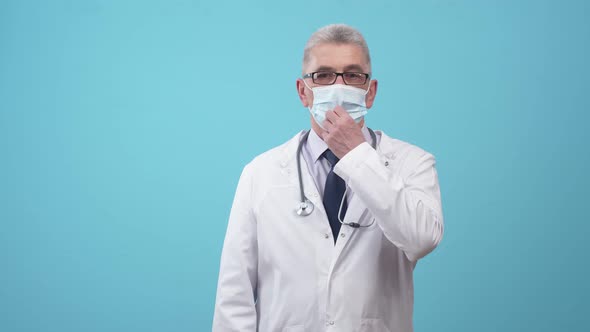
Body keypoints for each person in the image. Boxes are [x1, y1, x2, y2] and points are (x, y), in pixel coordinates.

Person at [212, 24, 444, 332]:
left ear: (370, 91)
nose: (338, 86)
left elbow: (422, 239)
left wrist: (357, 155)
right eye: (322, 75)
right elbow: (234, 293)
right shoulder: (260, 172)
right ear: (302, 92)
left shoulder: (412, 163)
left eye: (352, 75)